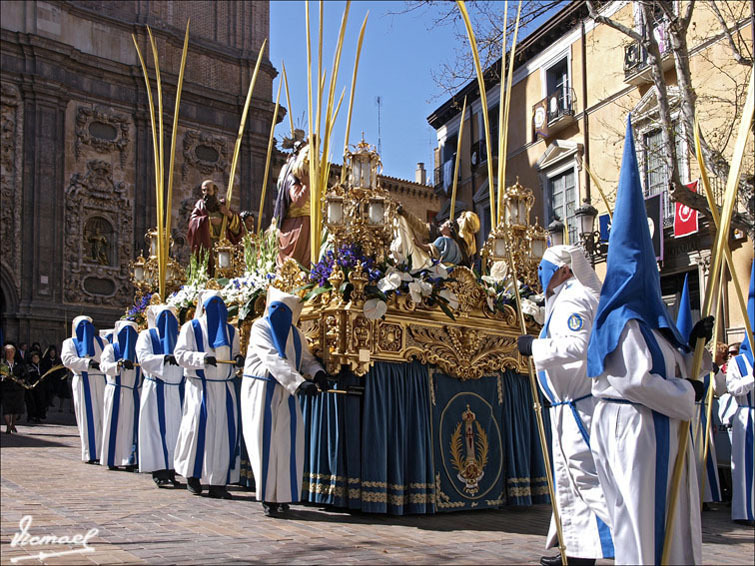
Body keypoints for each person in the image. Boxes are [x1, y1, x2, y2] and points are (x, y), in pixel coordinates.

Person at [586, 117, 712, 565]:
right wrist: (688, 392)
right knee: (642, 532)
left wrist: (690, 345)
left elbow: (672, 368)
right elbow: (637, 381)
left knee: (670, 530)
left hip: (658, 430)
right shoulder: (621, 321)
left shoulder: (653, 325)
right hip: (635, 434)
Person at [517, 245, 612, 566]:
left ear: (563, 271)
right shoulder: (566, 297)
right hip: (567, 407)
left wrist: (535, 346)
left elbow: (578, 344)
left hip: (578, 407)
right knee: (573, 484)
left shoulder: (573, 297)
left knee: (587, 480)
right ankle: (578, 553)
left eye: (544, 268)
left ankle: (628, 541)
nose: (539, 274)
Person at [240, 287, 327, 517]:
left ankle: (285, 494)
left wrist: (317, 373)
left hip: (287, 391)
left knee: (288, 441)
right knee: (265, 441)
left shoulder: (296, 334)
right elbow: (272, 357)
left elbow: (306, 359)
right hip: (262, 390)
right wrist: (298, 383)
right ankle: (268, 496)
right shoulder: (260, 327)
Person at [174, 291, 242, 499]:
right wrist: (201, 358)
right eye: (213, 304)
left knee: (222, 434)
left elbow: (235, 352)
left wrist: (238, 358)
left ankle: (218, 482)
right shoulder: (191, 328)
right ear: (203, 307)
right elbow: (180, 354)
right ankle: (192, 475)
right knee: (196, 430)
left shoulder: (231, 331)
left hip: (223, 389)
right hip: (200, 388)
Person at [136, 305, 185, 488]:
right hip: (156, 388)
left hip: (175, 390)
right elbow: (143, 358)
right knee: (156, 430)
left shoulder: (179, 336)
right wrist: (163, 358)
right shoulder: (147, 336)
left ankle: (173, 469)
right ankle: (159, 470)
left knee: (175, 430)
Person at [725, 261, 754, 525]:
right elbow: (733, 388)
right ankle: (744, 511)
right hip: (746, 416)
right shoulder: (738, 363)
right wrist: (752, 380)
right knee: (745, 467)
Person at [62, 316, 107, 463]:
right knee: (88, 416)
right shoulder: (70, 343)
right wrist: (87, 363)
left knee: (103, 416)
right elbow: (68, 359)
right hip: (83, 380)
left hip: (101, 380)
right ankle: (91, 453)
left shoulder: (102, 342)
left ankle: (104, 452)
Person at [100, 320, 141, 471]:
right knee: (114, 425)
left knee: (131, 427)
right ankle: (112, 458)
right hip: (115, 391)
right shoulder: (111, 348)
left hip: (132, 393)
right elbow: (103, 366)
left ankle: (129, 459)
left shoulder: (137, 352)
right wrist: (117, 365)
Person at [187, 179, 243, 263]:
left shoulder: (223, 206)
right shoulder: (200, 206)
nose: (206, 193)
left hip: (223, 248)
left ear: (215, 191)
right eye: (203, 190)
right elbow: (192, 224)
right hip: (207, 246)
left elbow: (237, 229)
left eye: (208, 190)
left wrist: (229, 215)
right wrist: (208, 221)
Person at [275, 143, 313, 268]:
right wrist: (306, 185)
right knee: (295, 267)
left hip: (308, 224)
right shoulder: (292, 179)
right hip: (296, 225)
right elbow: (299, 200)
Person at [1, 343, 27, 434]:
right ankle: (8, 425)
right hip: (6, 389)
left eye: (12, 352)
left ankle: (13, 424)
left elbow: (25, 374)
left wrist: (22, 380)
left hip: (17, 389)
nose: (10, 354)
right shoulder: (2, 364)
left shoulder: (18, 364)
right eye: (8, 352)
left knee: (16, 408)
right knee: (7, 408)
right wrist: (3, 378)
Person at [40, 345, 68, 413]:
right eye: (51, 353)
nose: (52, 354)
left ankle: (60, 407)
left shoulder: (58, 360)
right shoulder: (45, 360)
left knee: (62, 390)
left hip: (57, 378)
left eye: (53, 353)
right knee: (49, 390)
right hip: (48, 379)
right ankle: (47, 404)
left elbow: (62, 369)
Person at [24, 350, 45, 423]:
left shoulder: (41, 366)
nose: (36, 359)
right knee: (31, 402)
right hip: (31, 387)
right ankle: (30, 416)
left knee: (39, 402)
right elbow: (26, 377)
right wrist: (29, 384)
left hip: (40, 388)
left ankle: (38, 417)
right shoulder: (28, 366)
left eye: (37, 357)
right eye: (34, 358)